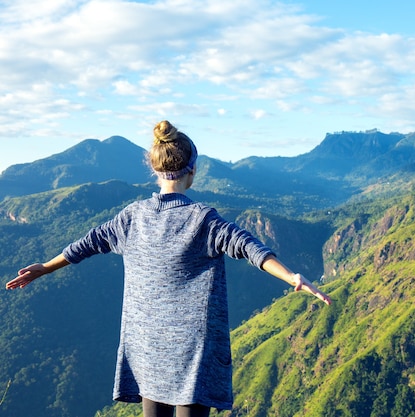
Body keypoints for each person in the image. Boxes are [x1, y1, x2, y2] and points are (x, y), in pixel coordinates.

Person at [6, 120, 332, 417]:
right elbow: (249, 247)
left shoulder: (132, 218)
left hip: (147, 350)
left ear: (155, 169)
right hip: (193, 354)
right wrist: (292, 276)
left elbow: (88, 243)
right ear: (193, 170)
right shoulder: (203, 220)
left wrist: (46, 267)